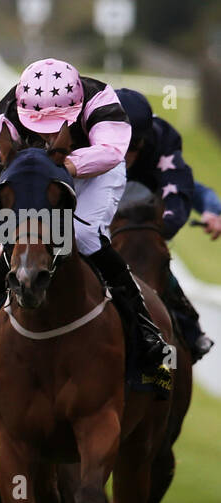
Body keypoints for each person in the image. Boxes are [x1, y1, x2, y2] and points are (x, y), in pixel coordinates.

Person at [0, 59, 170, 386]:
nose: (44, 132)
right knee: (11, 243)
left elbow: (112, 150)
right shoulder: (3, 117)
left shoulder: (99, 98)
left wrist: (65, 165)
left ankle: (145, 329)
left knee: (82, 236)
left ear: (76, 103)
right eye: (37, 125)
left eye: (54, 124)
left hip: (94, 170)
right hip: (37, 174)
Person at [115, 87, 211, 361]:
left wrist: (159, 228)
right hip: (92, 225)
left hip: (141, 223)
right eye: (120, 146)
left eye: (133, 147)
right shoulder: (79, 140)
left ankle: (188, 329)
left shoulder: (163, 142)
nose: (125, 156)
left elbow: (179, 191)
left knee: (152, 257)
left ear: (145, 141)